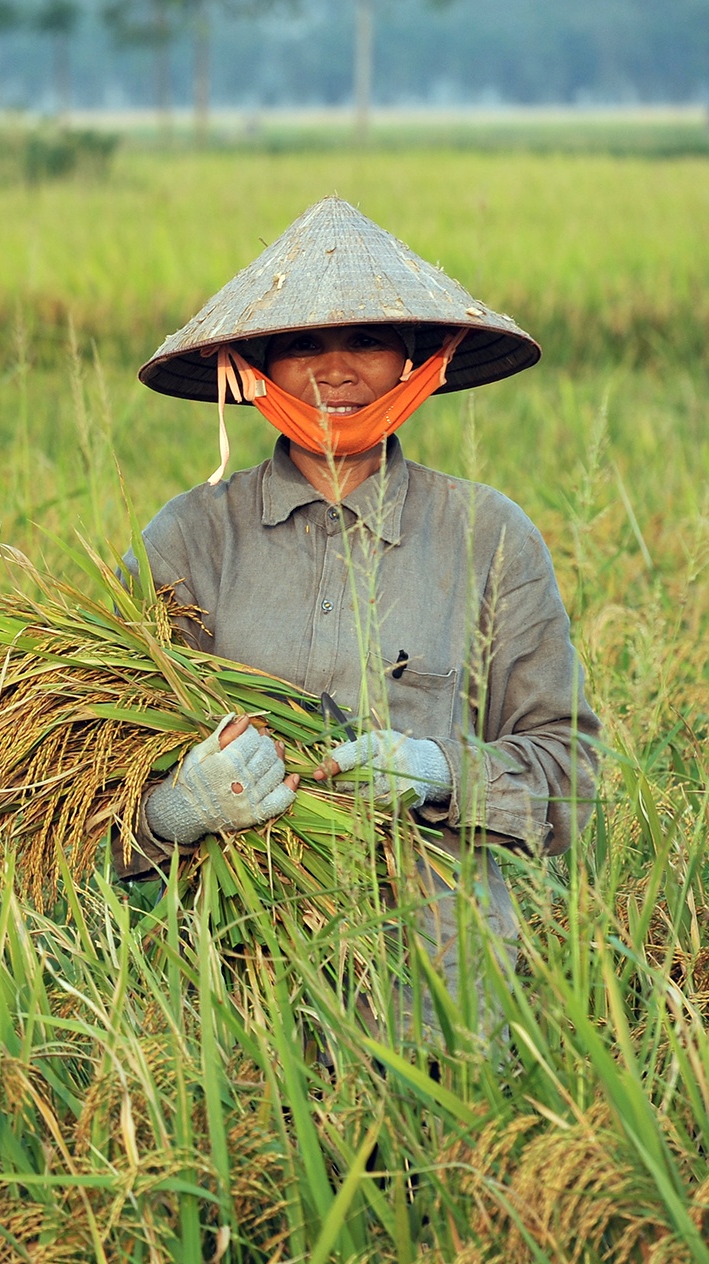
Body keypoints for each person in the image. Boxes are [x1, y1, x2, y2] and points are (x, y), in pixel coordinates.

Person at [125, 196, 599, 1010]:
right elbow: (77, 781)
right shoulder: (187, 541)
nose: (334, 371)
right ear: (252, 371)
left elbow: (573, 776)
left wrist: (442, 772)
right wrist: (173, 810)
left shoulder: (489, 536)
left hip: (445, 992)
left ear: (419, 363)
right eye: (301, 345)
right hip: (228, 992)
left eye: (368, 342)